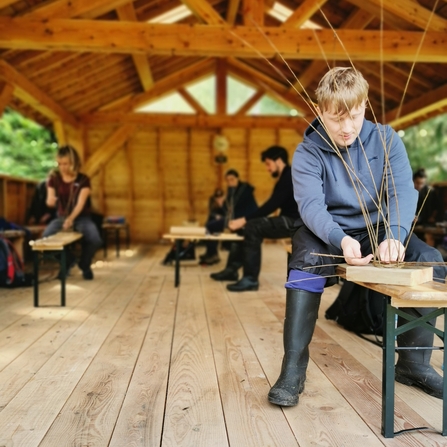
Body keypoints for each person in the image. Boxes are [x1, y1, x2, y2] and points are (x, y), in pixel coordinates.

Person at [268, 67, 447, 407]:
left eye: (354, 115)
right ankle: (292, 370)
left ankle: (413, 364)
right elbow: (311, 207)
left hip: (378, 229)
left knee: (430, 260)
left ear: (365, 104)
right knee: (303, 262)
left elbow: (402, 193)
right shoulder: (307, 152)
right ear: (320, 110)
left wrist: (394, 234)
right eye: (336, 118)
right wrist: (341, 239)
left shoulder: (387, 139)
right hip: (326, 231)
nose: (346, 127)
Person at [210, 146, 299, 291]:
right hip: (288, 219)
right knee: (247, 226)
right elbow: (271, 205)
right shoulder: (284, 177)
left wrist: (244, 219)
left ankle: (250, 279)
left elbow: (271, 205)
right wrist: (244, 221)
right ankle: (231, 270)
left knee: (252, 226)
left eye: (268, 164)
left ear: (278, 160)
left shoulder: (289, 176)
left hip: (294, 222)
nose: (267, 168)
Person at [44, 145, 102, 280]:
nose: (62, 167)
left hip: (82, 217)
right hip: (61, 217)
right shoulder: (54, 178)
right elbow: (49, 201)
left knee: (95, 239)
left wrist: (70, 219)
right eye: (60, 164)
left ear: (74, 163)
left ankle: (84, 264)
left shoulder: (83, 180)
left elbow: (80, 204)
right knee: (46, 239)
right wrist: (50, 202)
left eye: (66, 163)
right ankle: (68, 260)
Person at [200, 169, 258, 265]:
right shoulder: (233, 190)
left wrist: (222, 206)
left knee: (210, 226)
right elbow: (229, 208)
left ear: (237, 178)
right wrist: (221, 206)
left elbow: (232, 208)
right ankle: (211, 253)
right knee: (211, 222)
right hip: (235, 218)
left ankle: (212, 254)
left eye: (232, 179)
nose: (230, 182)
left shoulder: (243, 190)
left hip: (243, 220)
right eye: (228, 180)